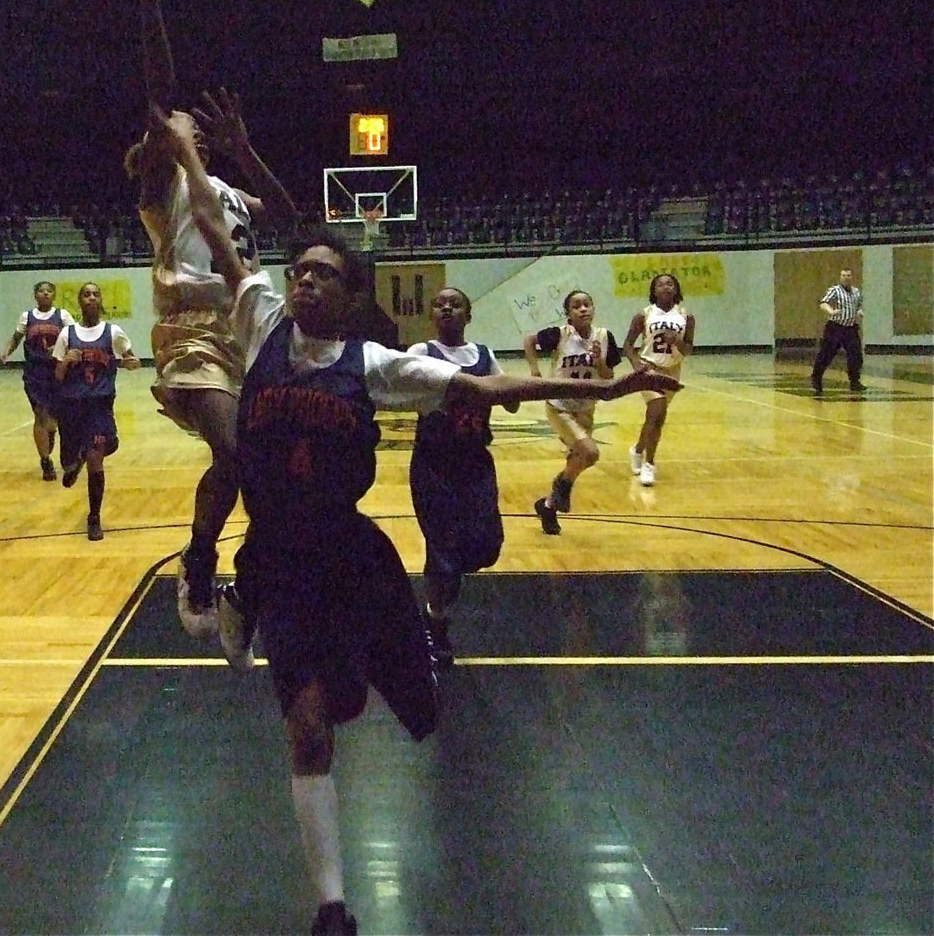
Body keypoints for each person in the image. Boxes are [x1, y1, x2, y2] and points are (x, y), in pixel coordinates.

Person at [159, 107, 681, 936]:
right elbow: (222, 244)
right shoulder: (257, 319)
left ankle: (345, 656)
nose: (303, 281)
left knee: (415, 716)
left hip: (352, 561)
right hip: (281, 563)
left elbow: (500, 392)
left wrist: (607, 393)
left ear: (353, 295)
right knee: (306, 731)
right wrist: (190, 152)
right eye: (299, 270)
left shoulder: (378, 365)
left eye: (324, 274)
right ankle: (331, 906)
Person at [124, 0, 299, 637]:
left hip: (250, 330)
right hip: (192, 335)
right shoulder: (161, 184)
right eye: (176, 125)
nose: (186, 126)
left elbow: (286, 217)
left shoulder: (222, 187)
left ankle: (246, 578)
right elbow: (158, 86)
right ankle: (200, 562)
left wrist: (244, 149)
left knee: (256, 465)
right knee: (235, 450)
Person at [408, 287, 517, 668]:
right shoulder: (421, 354)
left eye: (456, 303)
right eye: (440, 303)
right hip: (434, 465)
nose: (448, 308)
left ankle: (442, 594)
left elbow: (510, 395)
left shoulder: (485, 356)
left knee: (487, 547)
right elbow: (401, 388)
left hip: (474, 462)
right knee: (443, 555)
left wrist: (510, 393)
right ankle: (434, 624)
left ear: (468, 315)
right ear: (432, 315)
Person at [524, 290, 621, 534]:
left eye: (587, 304)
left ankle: (548, 506)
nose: (583, 309)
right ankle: (560, 487)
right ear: (568, 313)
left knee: (577, 460)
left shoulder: (604, 336)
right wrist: (535, 370)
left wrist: (599, 360)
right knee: (589, 453)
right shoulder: (559, 334)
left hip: (587, 408)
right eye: (576, 306)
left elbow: (608, 376)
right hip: (560, 406)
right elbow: (528, 340)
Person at [51, 282, 139, 541]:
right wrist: (66, 362)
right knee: (68, 464)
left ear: (101, 301)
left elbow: (131, 359)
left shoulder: (113, 332)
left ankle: (94, 517)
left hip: (99, 407)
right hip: (72, 407)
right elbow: (57, 375)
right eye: (86, 294)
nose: (91, 298)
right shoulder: (67, 335)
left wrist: (129, 363)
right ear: (79, 302)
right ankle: (74, 460)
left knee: (96, 460)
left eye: (95, 294)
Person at [622, 273, 695, 487]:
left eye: (670, 283)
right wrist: (637, 365)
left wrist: (678, 342)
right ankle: (649, 465)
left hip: (672, 369)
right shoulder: (644, 315)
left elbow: (688, 349)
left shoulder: (686, 316)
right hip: (649, 368)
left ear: (676, 289)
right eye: (660, 284)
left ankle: (637, 449)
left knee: (654, 417)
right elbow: (627, 345)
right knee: (658, 412)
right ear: (654, 291)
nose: (665, 287)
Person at [0, 281, 75, 481]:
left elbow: (74, 338)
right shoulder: (27, 317)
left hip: (58, 371)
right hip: (35, 372)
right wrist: (7, 351)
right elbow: (16, 338)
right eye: (41, 291)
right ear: (36, 295)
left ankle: (50, 435)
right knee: (40, 414)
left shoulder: (63, 316)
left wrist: (60, 348)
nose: (45, 294)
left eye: (49, 291)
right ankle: (45, 461)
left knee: (55, 418)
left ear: (54, 295)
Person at [810, 267, 865, 394]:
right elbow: (823, 303)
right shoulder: (835, 290)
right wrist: (831, 311)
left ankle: (854, 381)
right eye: (844, 275)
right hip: (835, 328)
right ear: (840, 277)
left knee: (856, 355)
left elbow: (858, 306)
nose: (846, 278)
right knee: (826, 354)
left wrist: (859, 311)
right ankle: (816, 377)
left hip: (850, 328)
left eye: (848, 275)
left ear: (852, 277)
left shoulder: (856, 292)